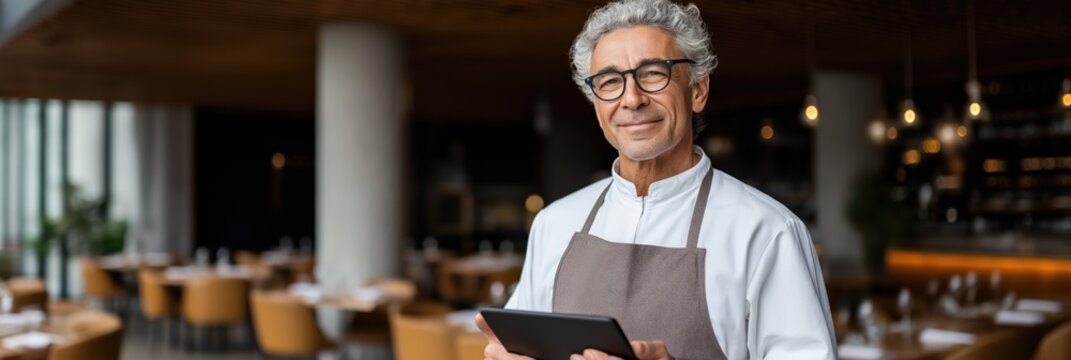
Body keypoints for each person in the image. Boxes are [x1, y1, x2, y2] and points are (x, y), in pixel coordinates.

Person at [476, 0, 836, 358]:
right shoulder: (554, 224)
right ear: (597, 106)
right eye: (610, 81)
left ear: (698, 90)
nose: (631, 99)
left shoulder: (766, 231)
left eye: (653, 73)